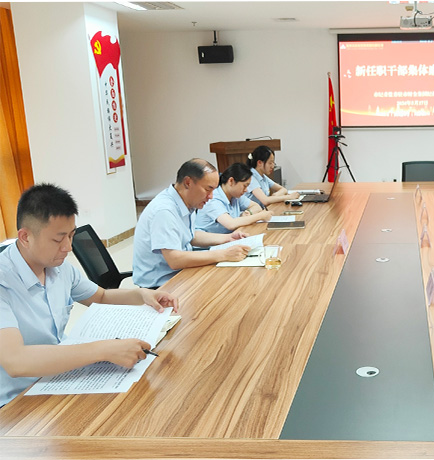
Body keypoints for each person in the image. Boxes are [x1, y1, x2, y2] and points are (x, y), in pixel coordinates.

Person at [0, 184, 179, 407]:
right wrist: (102, 350)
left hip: (57, 378)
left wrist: (141, 294)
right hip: (16, 401)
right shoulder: (4, 281)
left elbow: (101, 297)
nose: (68, 247)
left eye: (71, 235)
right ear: (25, 237)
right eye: (58, 239)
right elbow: (16, 362)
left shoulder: (58, 268)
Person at [133, 159, 251, 289]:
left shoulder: (187, 203)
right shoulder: (164, 211)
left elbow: (191, 236)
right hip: (162, 286)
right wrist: (223, 254)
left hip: (181, 274)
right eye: (208, 189)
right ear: (188, 182)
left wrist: (228, 238)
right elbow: (175, 259)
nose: (211, 196)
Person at [196, 163, 273, 234]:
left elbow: (256, 206)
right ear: (231, 181)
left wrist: (248, 213)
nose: (246, 190)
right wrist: (260, 216)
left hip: (230, 236)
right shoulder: (213, 198)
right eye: (244, 186)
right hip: (212, 243)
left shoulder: (235, 196)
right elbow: (230, 224)